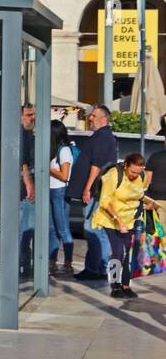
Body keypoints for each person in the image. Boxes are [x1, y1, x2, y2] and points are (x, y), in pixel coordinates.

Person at [92, 152, 157, 298]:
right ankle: (115, 286)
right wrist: (118, 220)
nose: (135, 175)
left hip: (130, 219)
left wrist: (149, 203)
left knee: (129, 253)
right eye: (132, 171)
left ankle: (126, 285)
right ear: (126, 165)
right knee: (118, 253)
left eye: (138, 172)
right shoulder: (114, 175)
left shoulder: (141, 176)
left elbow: (140, 195)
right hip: (111, 218)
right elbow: (104, 201)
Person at [69, 104, 117, 281]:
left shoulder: (103, 137)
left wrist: (87, 188)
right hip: (97, 193)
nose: (90, 118)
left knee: (93, 230)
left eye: (94, 116)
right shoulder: (101, 136)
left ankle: (96, 269)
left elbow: (96, 165)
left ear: (104, 119)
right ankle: (97, 268)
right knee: (97, 232)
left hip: (96, 193)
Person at [47, 119, 75, 276]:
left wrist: (48, 169)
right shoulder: (54, 150)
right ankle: (52, 262)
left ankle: (68, 263)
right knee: (52, 229)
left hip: (60, 192)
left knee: (62, 229)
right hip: (50, 190)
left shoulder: (64, 151)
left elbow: (64, 176)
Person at [19, 105, 36, 277]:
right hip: (23, 190)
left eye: (34, 115)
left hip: (25, 190)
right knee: (24, 229)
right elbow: (22, 162)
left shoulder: (30, 134)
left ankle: (25, 264)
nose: (32, 118)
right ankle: (22, 264)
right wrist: (28, 183)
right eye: (29, 115)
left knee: (27, 229)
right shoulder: (22, 135)